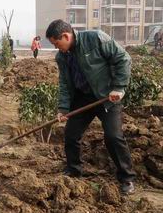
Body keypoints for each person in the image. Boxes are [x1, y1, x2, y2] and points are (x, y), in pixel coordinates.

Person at [45, 19, 135, 195]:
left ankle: (127, 178)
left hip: (107, 96)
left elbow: (123, 59)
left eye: (57, 43)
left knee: (113, 136)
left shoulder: (96, 38)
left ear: (66, 36)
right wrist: (63, 109)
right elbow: (64, 83)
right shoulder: (62, 57)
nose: (57, 48)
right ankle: (73, 170)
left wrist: (119, 87)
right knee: (71, 134)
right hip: (83, 98)